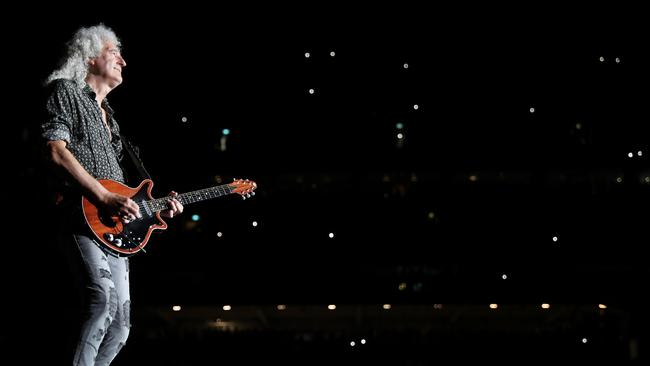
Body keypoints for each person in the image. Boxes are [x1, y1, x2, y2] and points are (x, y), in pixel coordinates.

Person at [40, 24, 184, 365]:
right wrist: (103, 196)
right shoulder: (66, 91)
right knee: (101, 301)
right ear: (90, 58)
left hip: (113, 227)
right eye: (113, 52)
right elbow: (56, 150)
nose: (123, 60)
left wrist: (155, 210)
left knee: (121, 326)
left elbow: (124, 189)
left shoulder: (112, 119)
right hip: (80, 216)